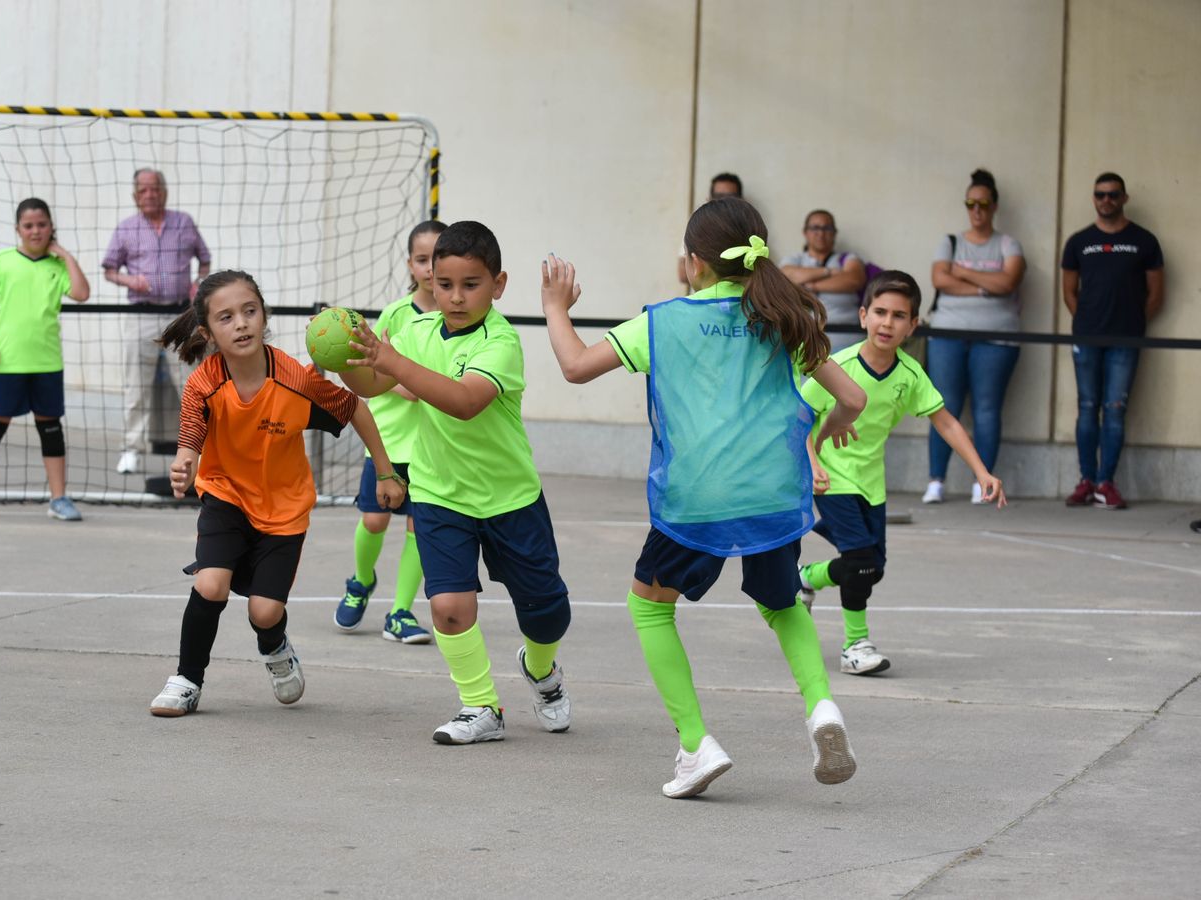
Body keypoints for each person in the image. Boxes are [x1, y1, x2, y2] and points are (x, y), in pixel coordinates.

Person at [540, 196, 868, 798]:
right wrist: (829, 431)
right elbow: (854, 399)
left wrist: (556, 307)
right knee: (782, 602)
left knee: (649, 606)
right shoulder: (788, 319)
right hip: (771, 494)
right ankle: (822, 708)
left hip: (695, 499)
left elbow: (576, 366)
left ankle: (695, 744)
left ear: (693, 263)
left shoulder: (662, 321)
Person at [341, 220, 576, 746]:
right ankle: (480, 705)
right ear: (430, 280)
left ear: (499, 284)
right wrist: (345, 359)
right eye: (444, 284)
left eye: (471, 284)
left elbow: (465, 402)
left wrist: (392, 360)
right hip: (439, 494)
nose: (455, 296)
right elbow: (374, 383)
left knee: (547, 614)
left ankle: (541, 671)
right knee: (448, 608)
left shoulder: (503, 342)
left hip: (510, 498)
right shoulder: (417, 332)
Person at [147, 271, 402, 717]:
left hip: (284, 509)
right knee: (211, 584)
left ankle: (275, 645)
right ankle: (187, 679)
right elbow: (190, 436)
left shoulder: (295, 380)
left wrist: (385, 472)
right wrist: (184, 463)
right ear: (208, 332)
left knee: (264, 612)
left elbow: (355, 407)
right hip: (226, 496)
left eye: (249, 311)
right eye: (226, 317)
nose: (241, 324)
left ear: (264, 315)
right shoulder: (204, 383)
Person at [798, 271, 1006, 676]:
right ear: (862, 316)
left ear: (913, 325)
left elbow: (945, 422)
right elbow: (797, 419)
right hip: (831, 477)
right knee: (858, 560)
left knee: (872, 568)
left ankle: (807, 577)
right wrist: (813, 464)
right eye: (879, 312)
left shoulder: (909, 375)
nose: (887, 323)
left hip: (871, 483)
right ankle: (854, 647)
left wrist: (982, 472)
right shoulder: (836, 368)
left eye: (898, 316)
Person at [333, 220, 447, 644]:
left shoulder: (460, 319)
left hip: (432, 446)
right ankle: (361, 582)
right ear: (411, 265)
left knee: (420, 525)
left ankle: (400, 612)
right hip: (390, 438)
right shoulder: (397, 315)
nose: (431, 269)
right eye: (423, 260)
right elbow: (377, 365)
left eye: (438, 259)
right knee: (376, 519)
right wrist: (409, 382)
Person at [0, 199, 91, 522]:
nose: (35, 231)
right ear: (18, 230)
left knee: (50, 428)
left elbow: (82, 293)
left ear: (51, 227)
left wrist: (64, 254)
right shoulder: (3, 261)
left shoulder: (57, 266)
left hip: (46, 363)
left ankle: (59, 498)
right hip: (7, 363)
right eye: (28, 225)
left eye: (41, 224)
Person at [1060, 173, 1165, 510]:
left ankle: (1107, 482)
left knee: (1115, 410)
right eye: (1100, 195)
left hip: (1126, 340)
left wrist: (1132, 324)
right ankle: (1086, 481)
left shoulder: (1145, 241)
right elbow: (1069, 292)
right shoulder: (1078, 242)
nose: (1106, 200)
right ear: (1094, 198)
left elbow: (1156, 295)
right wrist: (1087, 323)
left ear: (1124, 198)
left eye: (1113, 195)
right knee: (1087, 408)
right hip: (1087, 338)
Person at [924, 168, 1026, 506]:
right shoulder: (950, 241)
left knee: (986, 409)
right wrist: (987, 282)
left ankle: (982, 483)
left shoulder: (1008, 243)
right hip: (947, 333)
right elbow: (940, 279)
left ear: (994, 206)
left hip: (996, 337)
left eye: (983, 204)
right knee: (942, 406)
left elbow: (1008, 283)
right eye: (971, 204)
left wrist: (964, 273)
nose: (977, 210)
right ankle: (936, 480)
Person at [102, 168, 212, 477]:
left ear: (164, 191)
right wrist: (129, 280)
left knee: (192, 383)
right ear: (135, 196)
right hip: (142, 314)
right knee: (136, 385)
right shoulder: (126, 229)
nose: (150, 194)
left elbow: (204, 257)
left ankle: (203, 449)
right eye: (144, 190)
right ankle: (132, 450)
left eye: (155, 189)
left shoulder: (184, 223)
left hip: (181, 314)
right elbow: (109, 268)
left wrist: (198, 283)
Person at [780, 209, 867, 344]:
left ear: (834, 233)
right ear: (805, 232)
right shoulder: (794, 259)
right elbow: (787, 275)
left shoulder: (847, 258)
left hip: (848, 338)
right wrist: (829, 272)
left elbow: (853, 279)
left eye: (827, 228)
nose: (820, 233)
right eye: (815, 228)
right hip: (805, 340)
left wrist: (812, 285)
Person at [676, 173, 743, 291]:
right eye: (718, 196)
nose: (724, 201)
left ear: (741, 199)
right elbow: (682, 273)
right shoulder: (699, 226)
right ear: (709, 199)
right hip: (705, 302)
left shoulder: (747, 226)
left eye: (731, 196)